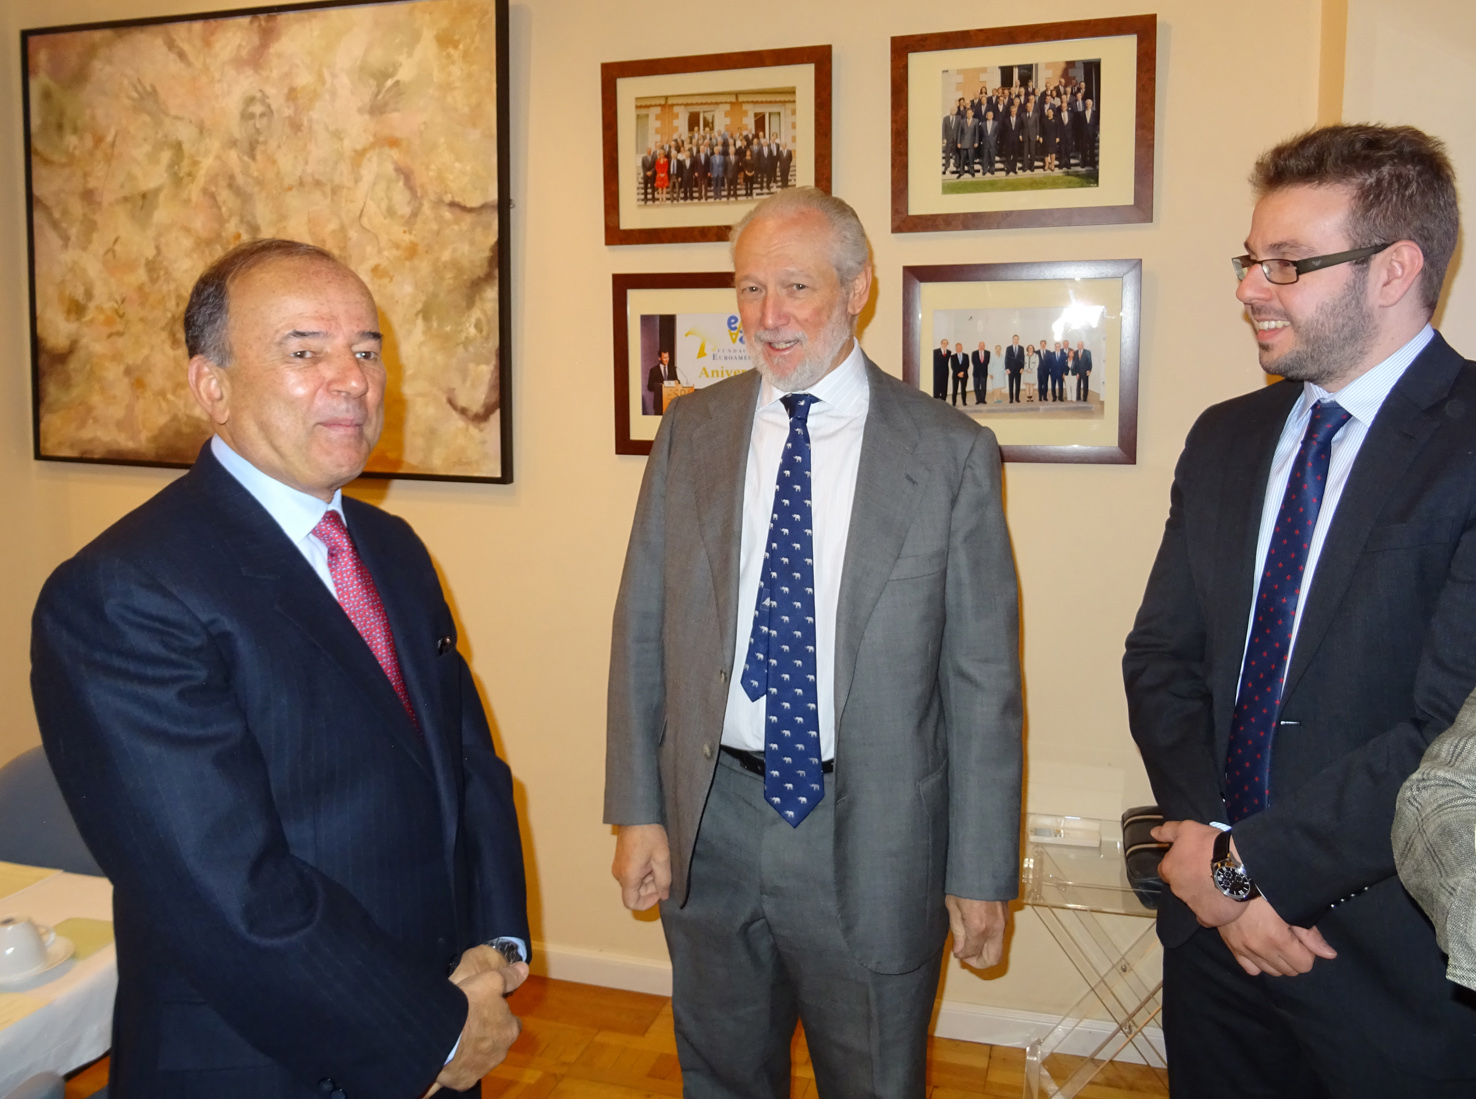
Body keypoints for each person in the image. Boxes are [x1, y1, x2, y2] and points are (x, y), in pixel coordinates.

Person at [30, 239, 530, 1098]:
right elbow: (229, 894)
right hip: (271, 1060)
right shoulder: (122, 593)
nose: (353, 379)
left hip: (445, 1006)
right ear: (212, 388)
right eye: (305, 352)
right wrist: (436, 1034)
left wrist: (495, 942)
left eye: (366, 349)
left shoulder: (391, 547)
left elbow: (466, 761)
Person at [605, 187, 1022, 1099]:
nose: (769, 316)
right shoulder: (692, 432)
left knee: (873, 1079)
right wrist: (638, 808)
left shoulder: (949, 452)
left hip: (871, 831)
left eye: (796, 286)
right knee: (721, 1074)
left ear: (858, 288)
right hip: (712, 818)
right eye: (750, 289)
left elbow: (983, 682)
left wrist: (980, 868)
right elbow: (641, 628)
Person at [1122, 124, 1476, 1097]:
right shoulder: (1226, 436)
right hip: (1212, 945)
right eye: (1249, 259)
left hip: (1389, 964)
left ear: (1395, 269)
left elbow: (1446, 732)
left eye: (1286, 263)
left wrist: (1245, 874)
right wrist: (1215, 871)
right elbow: (1161, 659)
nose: (1249, 288)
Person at [647, 348, 677, 416]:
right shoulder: (654, 370)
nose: (667, 359)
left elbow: (677, 381)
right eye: (664, 358)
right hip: (659, 403)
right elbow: (649, 387)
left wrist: (677, 382)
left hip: (670, 402)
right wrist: (660, 385)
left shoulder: (672, 369)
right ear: (659, 358)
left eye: (668, 357)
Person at [1004, 334, 1025, 403]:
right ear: (1012, 340)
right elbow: (1006, 359)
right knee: (1011, 384)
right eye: (1014, 339)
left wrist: (1022, 368)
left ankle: (1017, 398)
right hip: (1010, 369)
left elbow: (1022, 359)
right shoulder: (1008, 348)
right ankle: (1011, 398)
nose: (1015, 340)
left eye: (1017, 339)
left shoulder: (1021, 348)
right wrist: (1007, 368)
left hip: (1018, 369)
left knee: (1018, 384)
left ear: (1018, 340)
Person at [951, 341, 970, 405]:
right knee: (955, 389)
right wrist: (958, 373)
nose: (958, 348)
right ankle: (954, 402)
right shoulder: (952, 356)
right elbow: (953, 366)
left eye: (960, 347)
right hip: (955, 375)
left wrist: (962, 372)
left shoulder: (966, 356)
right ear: (955, 348)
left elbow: (967, 365)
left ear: (962, 347)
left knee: (963, 389)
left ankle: (964, 402)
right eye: (957, 347)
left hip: (964, 375)